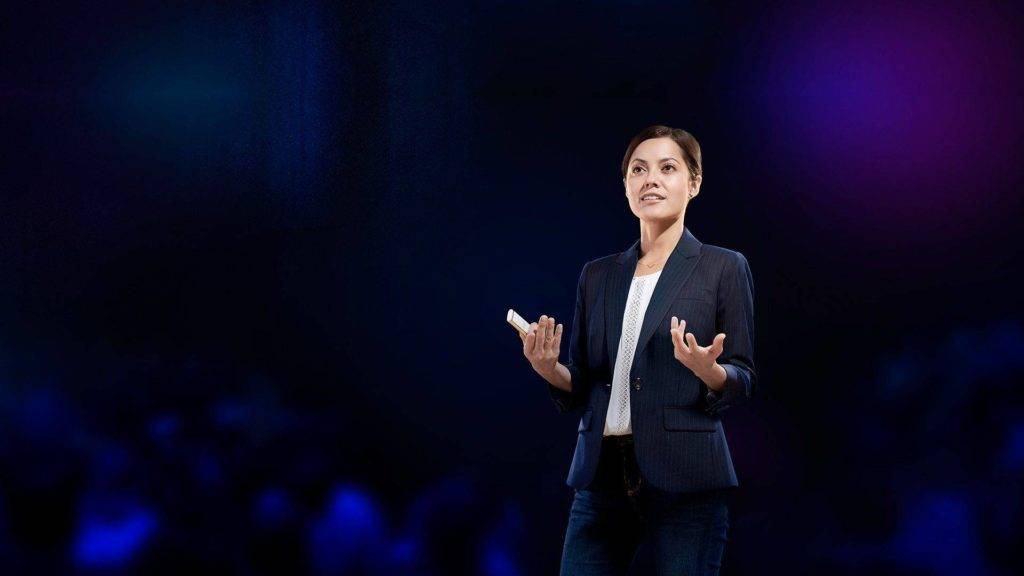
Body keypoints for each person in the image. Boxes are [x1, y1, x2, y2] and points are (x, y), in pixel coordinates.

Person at [518, 125, 756, 575]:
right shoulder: (597, 275)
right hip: (601, 475)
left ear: (694, 182)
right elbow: (585, 381)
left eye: (668, 168)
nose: (651, 179)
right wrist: (549, 368)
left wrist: (709, 370)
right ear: (625, 185)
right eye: (638, 170)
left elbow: (743, 377)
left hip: (686, 479)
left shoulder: (722, 266)